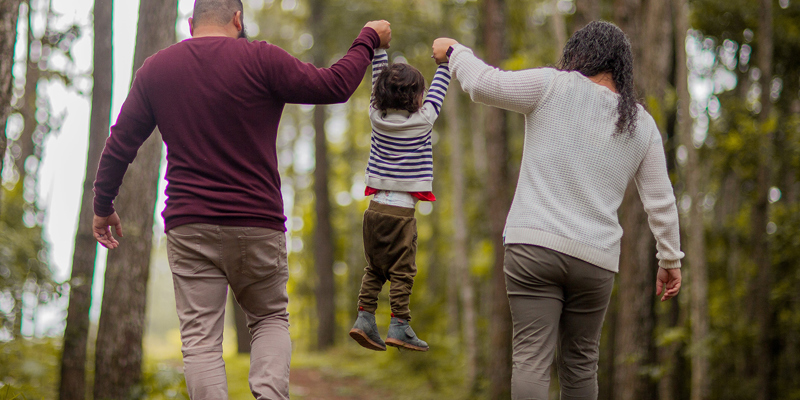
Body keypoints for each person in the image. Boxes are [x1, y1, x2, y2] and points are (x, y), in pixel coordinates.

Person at [90, 0, 391, 397]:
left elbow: (120, 143)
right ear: (238, 19)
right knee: (269, 318)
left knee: (200, 339)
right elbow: (334, 86)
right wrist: (368, 37)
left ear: (190, 22)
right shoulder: (261, 59)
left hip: (189, 223)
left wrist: (103, 205)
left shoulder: (157, 69)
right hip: (258, 223)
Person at [432, 21, 684, 399]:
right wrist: (670, 259)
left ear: (579, 54)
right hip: (595, 260)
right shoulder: (641, 123)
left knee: (531, 359)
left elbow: (483, 84)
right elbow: (661, 201)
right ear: (621, 68)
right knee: (581, 365)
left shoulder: (552, 85)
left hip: (533, 247)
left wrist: (454, 51)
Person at [348, 48, 451, 352]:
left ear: (379, 95)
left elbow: (375, 82)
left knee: (375, 269)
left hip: (375, 210)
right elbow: (440, 89)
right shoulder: (424, 120)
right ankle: (399, 324)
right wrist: (445, 62)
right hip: (401, 213)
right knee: (402, 272)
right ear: (417, 97)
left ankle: (364, 318)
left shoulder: (375, 117)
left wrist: (379, 50)